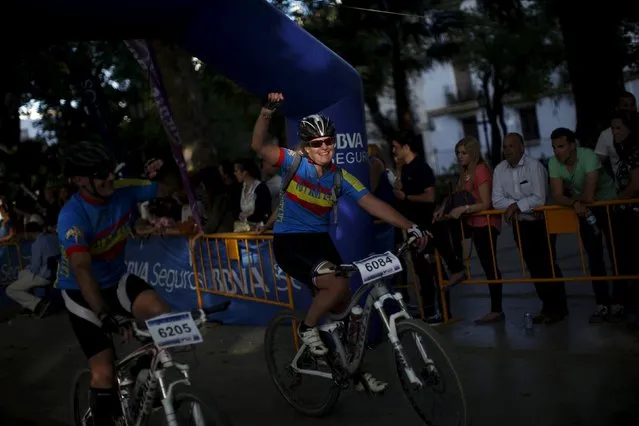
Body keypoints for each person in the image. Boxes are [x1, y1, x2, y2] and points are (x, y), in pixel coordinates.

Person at [251, 92, 428, 393]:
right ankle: (307, 328)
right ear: (307, 147)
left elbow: (372, 203)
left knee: (347, 307)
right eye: (317, 143)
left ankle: (353, 372)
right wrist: (268, 111)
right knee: (335, 285)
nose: (324, 147)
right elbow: (258, 145)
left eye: (328, 141)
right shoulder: (293, 163)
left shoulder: (340, 177)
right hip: (290, 243)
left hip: (320, 242)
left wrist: (410, 225)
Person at [56, 141, 176, 426]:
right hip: (80, 291)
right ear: (80, 181)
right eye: (101, 174)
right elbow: (82, 269)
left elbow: (170, 188)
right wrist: (104, 315)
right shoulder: (72, 216)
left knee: (161, 312)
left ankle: (139, 372)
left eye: (110, 171)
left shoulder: (123, 188)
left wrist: (167, 166)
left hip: (116, 279)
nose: (110, 178)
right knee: (104, 371)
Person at [548, 128, 622, 323]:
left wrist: (573, 199)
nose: (557, 151)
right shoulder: (553, 162)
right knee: (594, 255)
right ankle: (602, 303)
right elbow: (557, 195)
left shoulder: (587, 155)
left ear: (573, 145)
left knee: (616, 253)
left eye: (561, 146)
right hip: (582, 208)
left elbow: (589, 195)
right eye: (554, 147)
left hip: (607, 203)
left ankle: (620, 301)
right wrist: (573, 203)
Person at [492, 133, 567, 324]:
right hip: (521, 224)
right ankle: (547, 308)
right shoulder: (499, 169)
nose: (507, 150)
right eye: (504, 146)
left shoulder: (534, 166)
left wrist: (516, 206)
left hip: (542, 222)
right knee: (533, 266)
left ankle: (559, 307)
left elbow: (539, 198)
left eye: (511, 146)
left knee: (548, 264)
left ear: (521, 147)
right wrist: (517, 206)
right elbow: (496, 201)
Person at [6, 214, 60, 318]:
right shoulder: (53, 237)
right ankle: (29, 306)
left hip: (45, 275)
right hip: (59, 271)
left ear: (30, 233)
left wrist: (28, 268)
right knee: (22, 274)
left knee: (10, 290)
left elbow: (35, 267)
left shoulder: (37, 243)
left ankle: (38, 305)